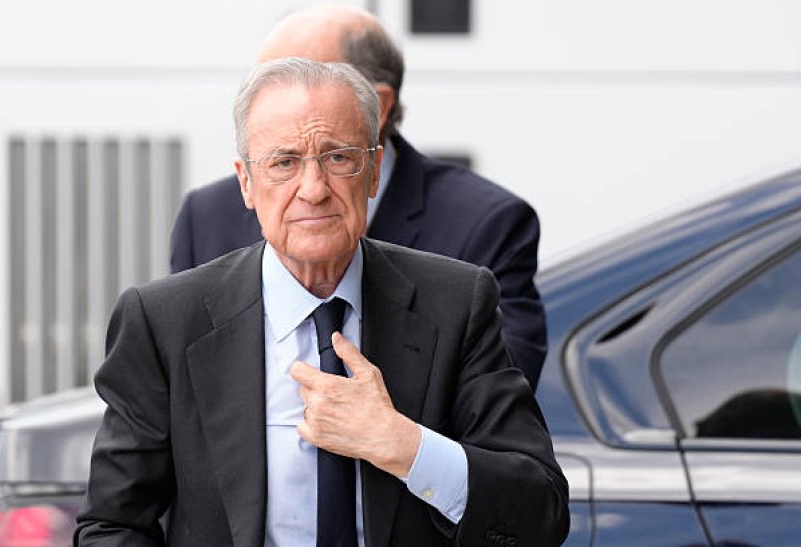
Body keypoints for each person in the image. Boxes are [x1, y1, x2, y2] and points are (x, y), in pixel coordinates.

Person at [76, 58, 569, 546]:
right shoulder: (165, 322)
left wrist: (403, 445)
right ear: (246, 183)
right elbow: (112, 526)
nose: (313, 190)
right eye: (284, 163)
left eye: (338, 158)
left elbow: (540, 514)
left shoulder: (456, 304)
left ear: (373, 172)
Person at [169, 4, 548, 389]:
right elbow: (181, 388)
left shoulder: (486, 224)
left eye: (307, 79)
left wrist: (386, 424)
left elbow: (500, 401)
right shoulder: (208, 217)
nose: (312, 190)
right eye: (267, 82)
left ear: (379, 107)